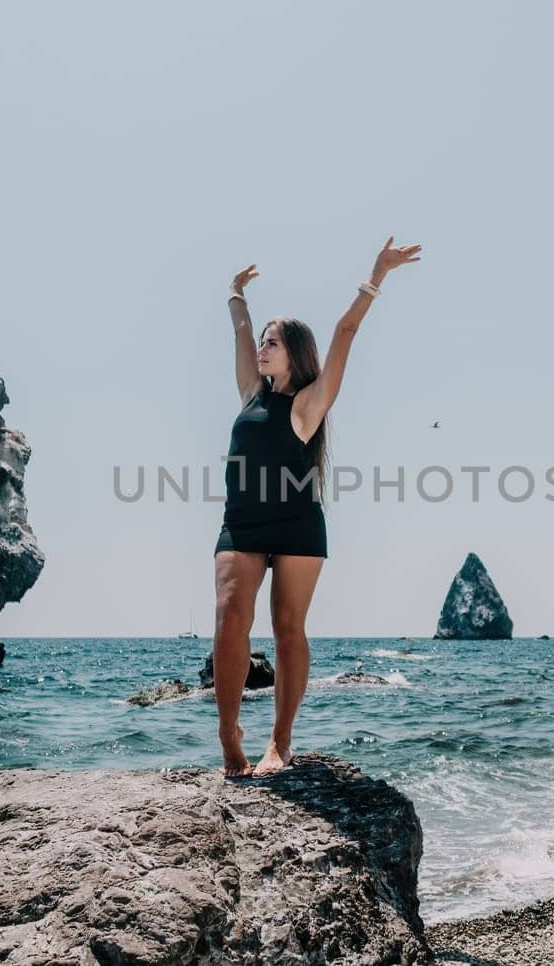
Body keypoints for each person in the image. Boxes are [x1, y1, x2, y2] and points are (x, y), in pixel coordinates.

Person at [212, 236, 423, 778]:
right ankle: (229, 734)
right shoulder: (250, 393)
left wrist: (376, 275)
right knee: (231, 616)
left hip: (298, 525)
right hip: (243, 524)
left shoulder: (309, 403)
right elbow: (239, 331)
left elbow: (345, 331)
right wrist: (236, 293)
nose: (262, 348)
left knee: (288, 627)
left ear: (295, 352)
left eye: (273, 343)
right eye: (263, 342)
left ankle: (280, 742)